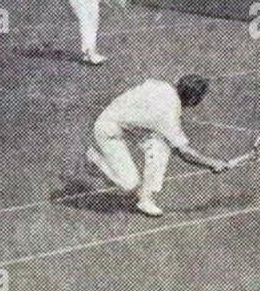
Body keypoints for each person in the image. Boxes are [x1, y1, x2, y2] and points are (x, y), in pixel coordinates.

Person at [87, 75, 233, 217]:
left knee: (161, 145)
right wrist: (212, 163)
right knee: (129, 185)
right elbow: (184, 153)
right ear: (194, 99)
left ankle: (145, 198)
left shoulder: (161, 85)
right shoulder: (168, 116)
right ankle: (94, 161)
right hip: (108, 130)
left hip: (131, 125)